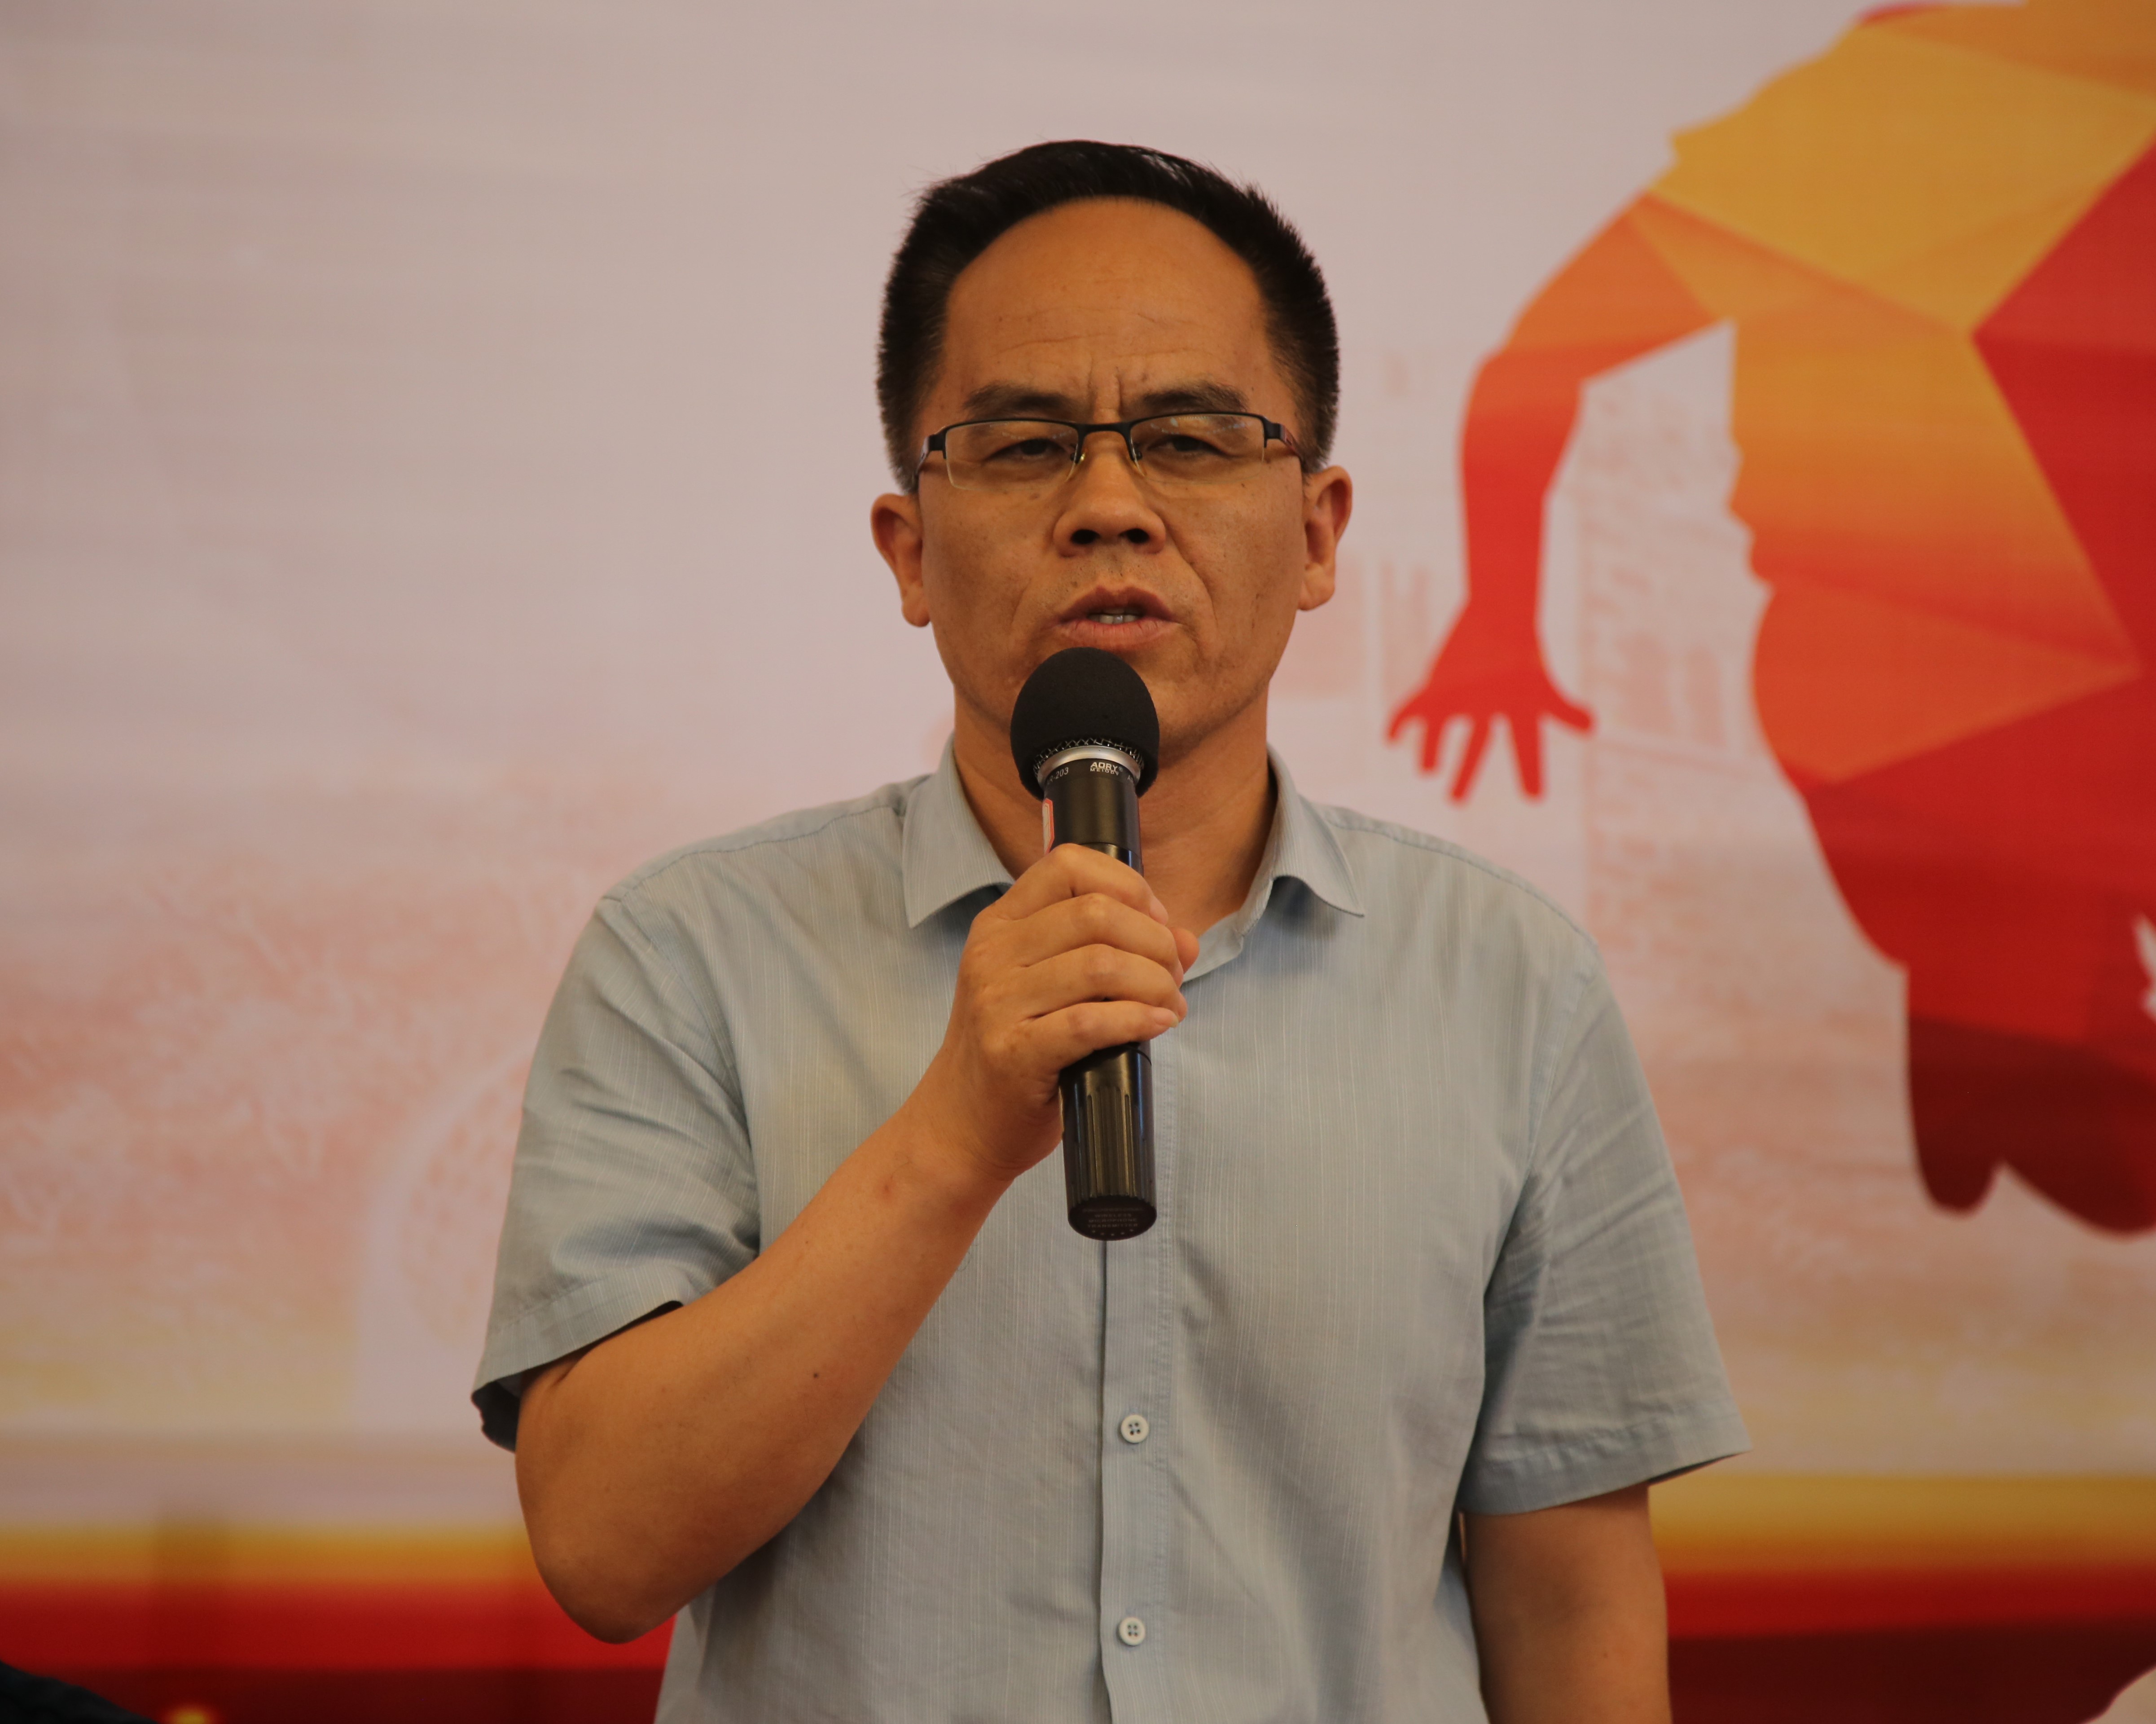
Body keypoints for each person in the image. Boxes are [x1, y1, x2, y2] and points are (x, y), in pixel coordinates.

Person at [476, 140, 1747, 1723]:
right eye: (1022, 448)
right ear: (910, 551)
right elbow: (603, 1548)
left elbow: (1569, 1605)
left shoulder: (1509, 986)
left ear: (1319, 532)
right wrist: (952, 1136)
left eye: (1189, 442)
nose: (1106, 508)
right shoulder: (688, 954)